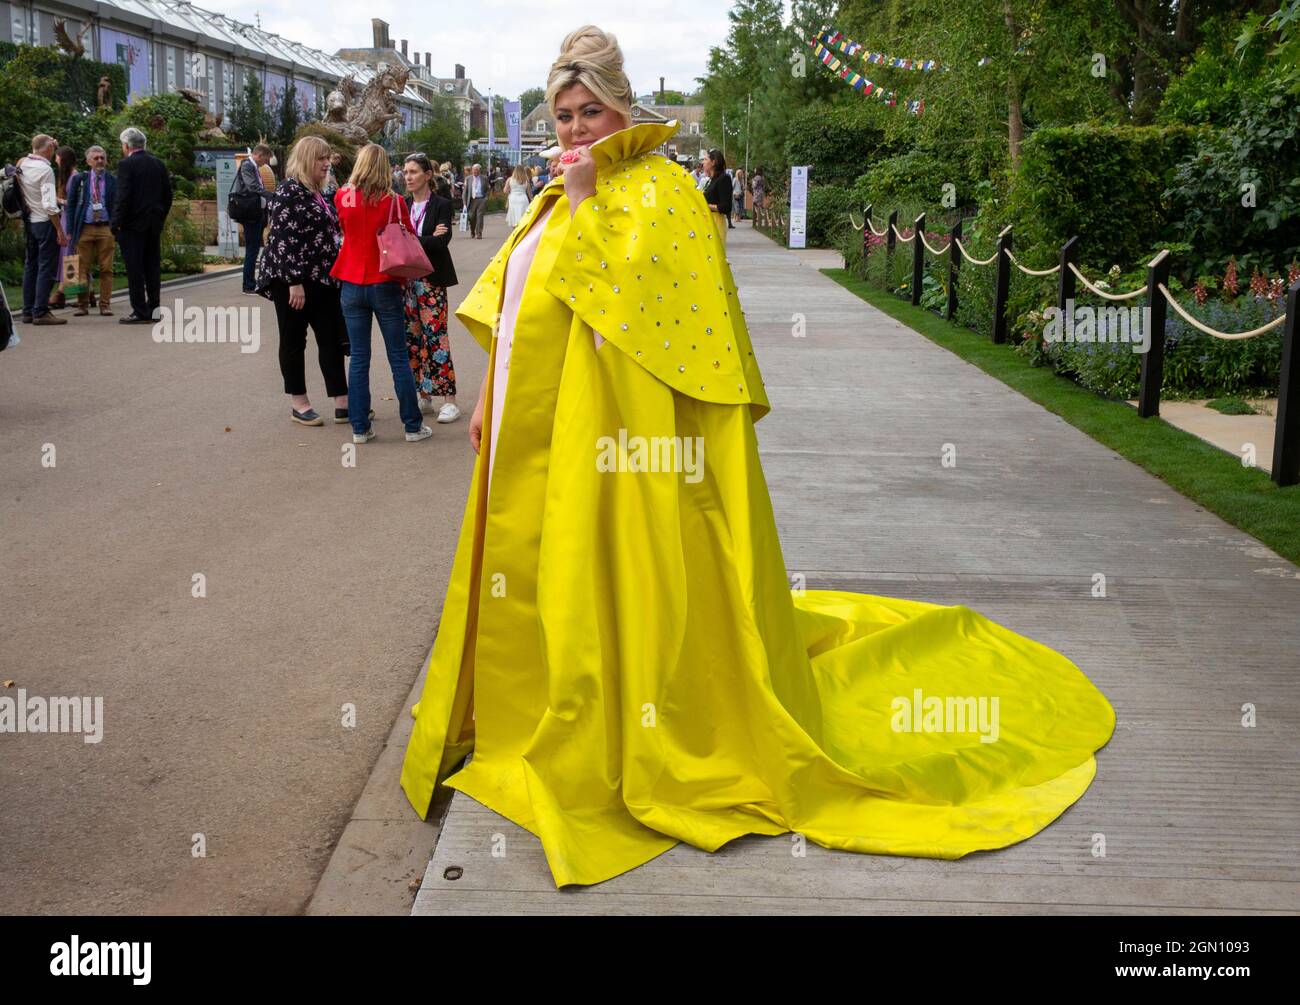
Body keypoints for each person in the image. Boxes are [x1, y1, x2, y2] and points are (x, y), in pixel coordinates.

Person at [398, 24, 1114, 890]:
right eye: (564, 112)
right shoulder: (555, 196)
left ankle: (615, 729)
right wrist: (487, 400)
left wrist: (588, 202)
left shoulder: (657, 193)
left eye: (591, 110)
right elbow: (516, 315)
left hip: (619, 451)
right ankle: (527, 709)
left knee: (602, 586)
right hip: (532, 437)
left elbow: (637, 317)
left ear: (623, 106)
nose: (578, 126)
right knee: (535, 578)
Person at [330, 142, 432, 443]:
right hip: (385, 281)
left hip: (350, 280)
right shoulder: (394, 202)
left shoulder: (341, 197)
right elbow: (408, 236)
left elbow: (344, 229)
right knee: (398, 356)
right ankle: (412, 426)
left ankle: (360, 428)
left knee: (359, 357)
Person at [256, 135, 350, 427]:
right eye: (321, 159)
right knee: (294, 339)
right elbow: (283, 237)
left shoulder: (317, 192)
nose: (327, 164)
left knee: (331, 339)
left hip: (322, 278)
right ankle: (300, 402)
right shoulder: (289, 190)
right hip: (292, 280)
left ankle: (341, 400)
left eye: (327, 158)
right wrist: (293, 281)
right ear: (307, 160)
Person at [402, 155, 461, 422]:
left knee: (436, 336)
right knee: (412, 338)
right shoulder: (402, 204)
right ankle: (423, 394)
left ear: (427, 175)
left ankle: (449, 399)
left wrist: (411, 239)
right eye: (405, 172)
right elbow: (396, 240)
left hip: (432, 280)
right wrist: (424, 239)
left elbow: (442, 242)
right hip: (407, 282)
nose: (408, 177)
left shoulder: (441, 205)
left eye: (413, 172)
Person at [111, 127, 172, 325]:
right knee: (152, 267)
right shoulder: (158, 164)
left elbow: (123, 196)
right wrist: (160, 216)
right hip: (153, 223)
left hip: (132, 226)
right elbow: (167, 195)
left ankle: (139, 310)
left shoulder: (126, 165)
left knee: (135, 268)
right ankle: (154, 308)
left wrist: (116, 223)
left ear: (126, 146)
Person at [17, 134, 69, 326]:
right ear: (48, 149)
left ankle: (28, 310)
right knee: (46, 267)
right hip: (44, 221)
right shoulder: (45, 170)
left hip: (29, 221)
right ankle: (40, 311)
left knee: (31, 265)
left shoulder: (23, 164)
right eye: (52, 148)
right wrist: (59, 231)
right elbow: (49, 205)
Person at [66, 145, 116, 317]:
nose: (100, 161)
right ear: (88, 161)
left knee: (106, 269)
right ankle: (82, 305)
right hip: (84, 228)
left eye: (102, 157)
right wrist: (70, 230)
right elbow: (71, 205)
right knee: (81, 269)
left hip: (105, 228)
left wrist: (116, 226)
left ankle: (105, 304)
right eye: (96, 158)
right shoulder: (80, 180)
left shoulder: (112, 180)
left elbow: (117, 205)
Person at [235, 144, 272, 294]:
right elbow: (251, 186)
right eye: (265, 159)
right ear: (259, 155)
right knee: (252, 249)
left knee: (255, 248)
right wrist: (268, 194)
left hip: (256, 211)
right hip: (249, 212)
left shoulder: (253, 166)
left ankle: (252, 282)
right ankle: (248, 285)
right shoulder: (247, 165)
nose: (265, 163)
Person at [49, 145, 77, 310]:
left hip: (69, 219)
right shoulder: (67, 177)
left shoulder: (74, 177)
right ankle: (87, 292)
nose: (56, 161)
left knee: (69, 256)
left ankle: (61, 293)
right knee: (72, 255)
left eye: (58, 158)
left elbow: (74, 203)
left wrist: (57, 200)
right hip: (65, 218)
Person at [701, 148, 733, 247]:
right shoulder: (711, 180)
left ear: (713, 162)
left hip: (716, 222)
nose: (703, 162)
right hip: (708, 221)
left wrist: (707, 206)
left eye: (706, 159)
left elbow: (726, 206)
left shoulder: (724, 178)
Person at [463, 163, 488, 239]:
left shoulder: (484, 178)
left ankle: (479, 233)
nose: (475, 171)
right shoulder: (468, 179)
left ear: (479, 170)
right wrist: (464, 202)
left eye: (476, 170)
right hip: (471, 200)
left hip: (481, 199)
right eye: (474, 170)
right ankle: (472, 231)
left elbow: (487, 189)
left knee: (480, 216)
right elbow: (465, 192)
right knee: (472, 217)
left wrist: (486, 198)